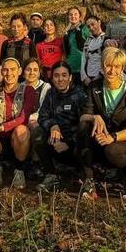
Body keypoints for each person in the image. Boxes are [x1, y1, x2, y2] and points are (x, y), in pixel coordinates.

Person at [79, 47, 126, 199]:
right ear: (102, 66)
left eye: (116, 67)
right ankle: (89, 180)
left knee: (112, 150)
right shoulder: (94, 87)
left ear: (122, 68)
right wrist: (94, 117)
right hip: (101, 138)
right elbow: (84, 116)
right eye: (108, 66)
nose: (112, 71)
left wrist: (113, 137)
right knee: (84, 127)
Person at [0, 58, 38, 190]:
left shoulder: (28, 91)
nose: (9, 73)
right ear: (1, 72)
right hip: (0, 141)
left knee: (21, 130)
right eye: (5, 70)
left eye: (13, 69)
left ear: (20, 72)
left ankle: (19, 169)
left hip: (19, 141)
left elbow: (23, 118)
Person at [36, 61, 87, 189]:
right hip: (56, 141)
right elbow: (42, 116)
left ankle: (82, 175)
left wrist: (69, 143)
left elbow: (85, 125)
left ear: (70, 77)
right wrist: (53, 126)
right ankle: (51, 175)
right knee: (37, 134)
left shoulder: (80, 95)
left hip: (75, 146)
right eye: (56, 76)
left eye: (64, 75)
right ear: (52, 78)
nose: (60, 79)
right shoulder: (50, 94)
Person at [63, 7, 91, 85]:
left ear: (79, 16)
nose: (73, 16)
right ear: (68, 17)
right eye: (70, 15)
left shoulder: (85, 28)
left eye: (75, 14)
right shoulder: (68, 33)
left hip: (84, 68)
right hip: (71, 68)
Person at [80, 15, 106, 85]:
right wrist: (84, 77)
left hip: (102, 77)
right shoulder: (88, 41)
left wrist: (101, 75)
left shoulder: (106, 39)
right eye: (88, 26)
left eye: (93, 24)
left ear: (99, 22)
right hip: (88, 78)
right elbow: (83, 59)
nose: (91, 28)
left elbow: (108, 60)